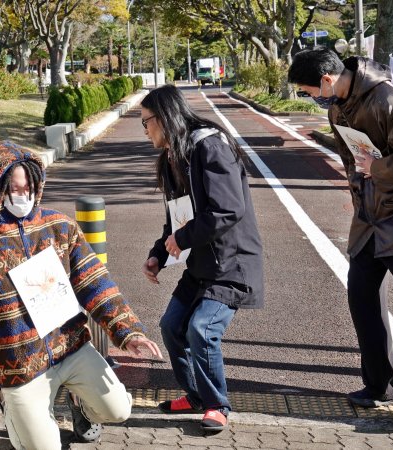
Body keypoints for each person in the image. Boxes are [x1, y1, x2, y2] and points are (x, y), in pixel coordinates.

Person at [0, 141, 163, 449]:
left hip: (70, 347)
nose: (22, 196)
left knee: (118, 410)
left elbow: (95, 282)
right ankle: (14, 408)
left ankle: (79, 403)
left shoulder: (60, 227)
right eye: (13, 189)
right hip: (19, 365)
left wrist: (128, 331)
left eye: (28, 188)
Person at [288, 47, 393, 424]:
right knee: (361, 295)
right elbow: (350, 162)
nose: (310, 97)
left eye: (309, 90)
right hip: (371, 218)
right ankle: (377, 383)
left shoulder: (386, 98)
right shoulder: (337, 107)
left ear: (327, 79)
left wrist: (379, 168)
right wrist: (362, 190)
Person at [140, 84, 264, 432]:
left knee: (201, 329)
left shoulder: (210, 147)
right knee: (171, 326)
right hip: (200, 265)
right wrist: (158, 256)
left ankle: (216, 405)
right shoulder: (172, 157)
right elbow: (176, 217)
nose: (145, 130)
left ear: (164, 118)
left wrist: (180, 238)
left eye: (146, 122)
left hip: (231, 263)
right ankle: (195, 395)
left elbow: (228, 209)